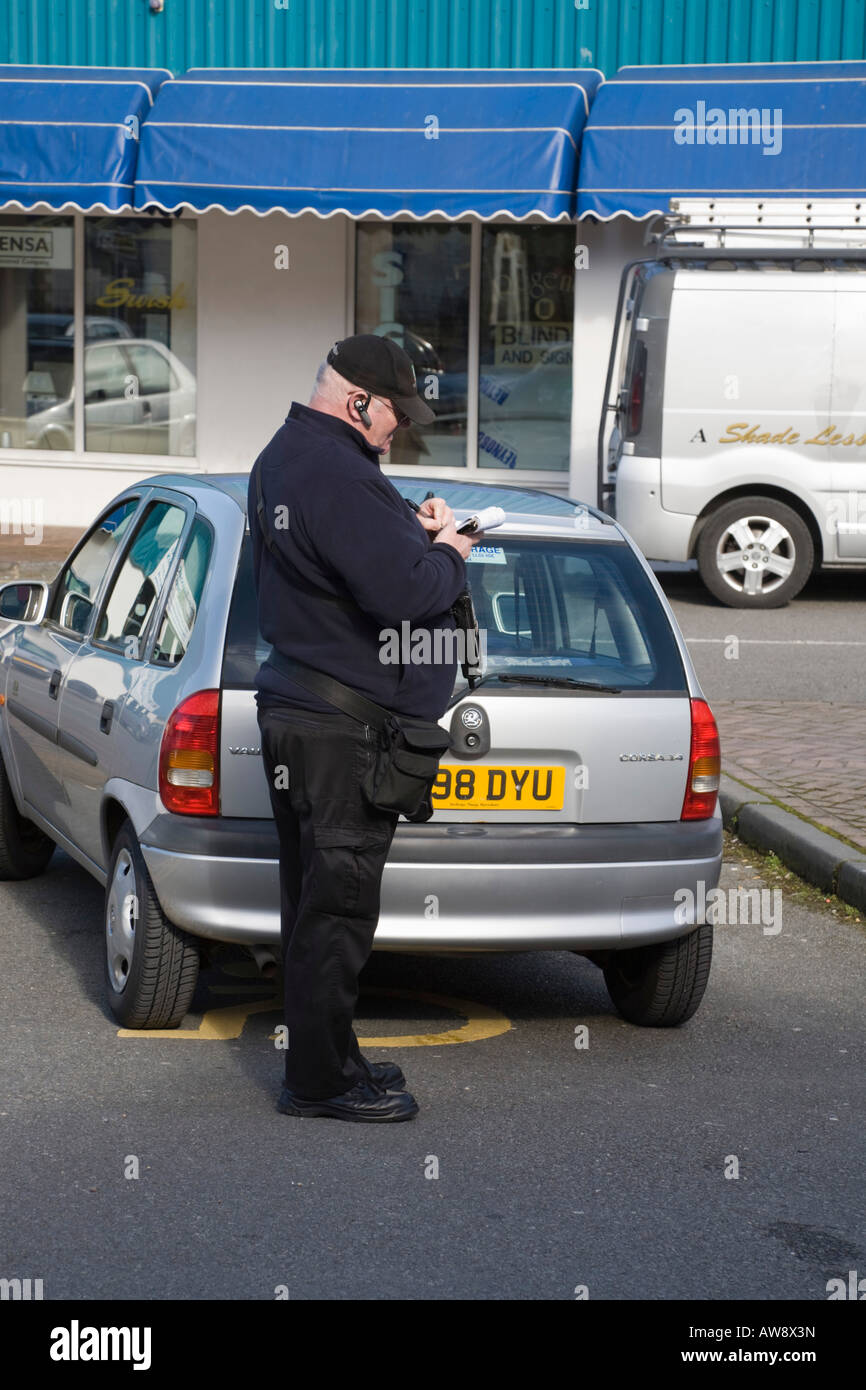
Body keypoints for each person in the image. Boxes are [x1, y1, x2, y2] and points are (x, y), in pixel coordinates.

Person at [248, 334, 476, 1122]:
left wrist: (411, 531)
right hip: (340, 728)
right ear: (357, 402)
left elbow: (342, 566)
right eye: (392, 417)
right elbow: (406, 596)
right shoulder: (339, 472)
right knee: (338, 912)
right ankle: (319, 1083)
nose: (397, 430)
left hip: (301, 712)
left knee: (314, 903)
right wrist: (452, 549)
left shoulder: (285, 455)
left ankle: (331, 1059)